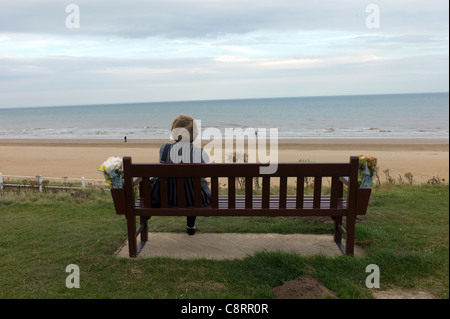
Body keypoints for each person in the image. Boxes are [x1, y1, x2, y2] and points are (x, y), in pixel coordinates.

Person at [159, 114, 211, 235]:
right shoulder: (201, 153)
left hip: (168, 198)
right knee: (193, 188)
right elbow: (207, 174)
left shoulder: (164, 149)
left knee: (185, 186)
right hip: (197, 200)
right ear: (194, 133)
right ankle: (191, 225)